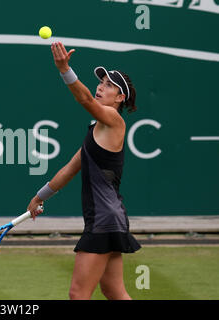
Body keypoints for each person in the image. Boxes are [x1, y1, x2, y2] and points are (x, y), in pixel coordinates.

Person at [27, 42, 141, 300]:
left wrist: (64, 69)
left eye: (109, 85)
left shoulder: (115, 120)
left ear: (120, 98)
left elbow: (85, 99)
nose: (101, 86)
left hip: (103, 219)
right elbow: (69, 169)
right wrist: (39, 197)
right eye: (101, 82)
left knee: (78, 294)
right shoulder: (96, 132)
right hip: (110, 217)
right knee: (114, 291)